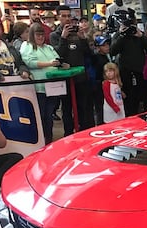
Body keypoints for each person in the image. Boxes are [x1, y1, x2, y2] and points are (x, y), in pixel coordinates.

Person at [20, 23, 66, 145]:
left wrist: (62, 64)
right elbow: (29, 62)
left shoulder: (48, 47)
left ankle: (49, 140)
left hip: (53, 87)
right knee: (40, 115)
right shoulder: (27, 45)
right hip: (38, 87)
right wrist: (49, 64)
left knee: (49, 115)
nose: (40, 37)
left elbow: (56, 59)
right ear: (31, 35)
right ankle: (40, 141)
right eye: (37, 35)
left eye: (42, 35)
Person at [50, 5, 93, 134]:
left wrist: (83, 39)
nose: (67, 19)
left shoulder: (77, 32)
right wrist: (63, 38)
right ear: (58, 17)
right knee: (67, 109)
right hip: (65, 78)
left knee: (82, 108)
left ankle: (83, 133)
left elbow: (89, 54)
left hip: (80, 77)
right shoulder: (54, 35)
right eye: (64, 16)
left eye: (69, 16)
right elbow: (56, 56)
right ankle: (68, 134)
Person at [110, 10, 147, 116]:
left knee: (140, 97)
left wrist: (141, 36)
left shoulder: (137, 34)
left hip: (139, 71)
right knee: (128, 99)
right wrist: (122, 35)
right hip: (125, 71)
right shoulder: (118, 35)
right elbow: (113, 51)